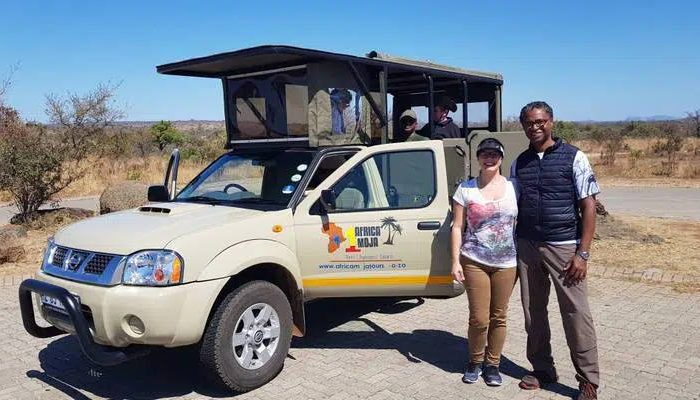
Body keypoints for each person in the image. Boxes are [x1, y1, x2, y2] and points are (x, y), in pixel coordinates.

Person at [511, 101, 600, 400]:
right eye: (529, 122)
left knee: (576, 313)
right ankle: (543, 368)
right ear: (523, 125)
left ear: (551, 122)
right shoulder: (519, 162)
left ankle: (588, 380)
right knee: (533, 312)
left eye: (540, 121)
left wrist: (582, 253)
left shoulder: (574, 157)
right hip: (527, 246)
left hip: (563, 247)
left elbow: (589, 206)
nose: (535, 127)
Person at [451, 138, 518, 387]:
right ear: (477, 158)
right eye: (484, 155)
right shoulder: (465, 189)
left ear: (501, 158)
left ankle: (493, 364)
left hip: (506, 262)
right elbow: (457, 227)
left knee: (499, 316)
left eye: (494, 155)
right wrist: (455, 261)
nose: (489, 159)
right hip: (474, 259)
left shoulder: (514, 188)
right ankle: (475, 361)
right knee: (479, 318)